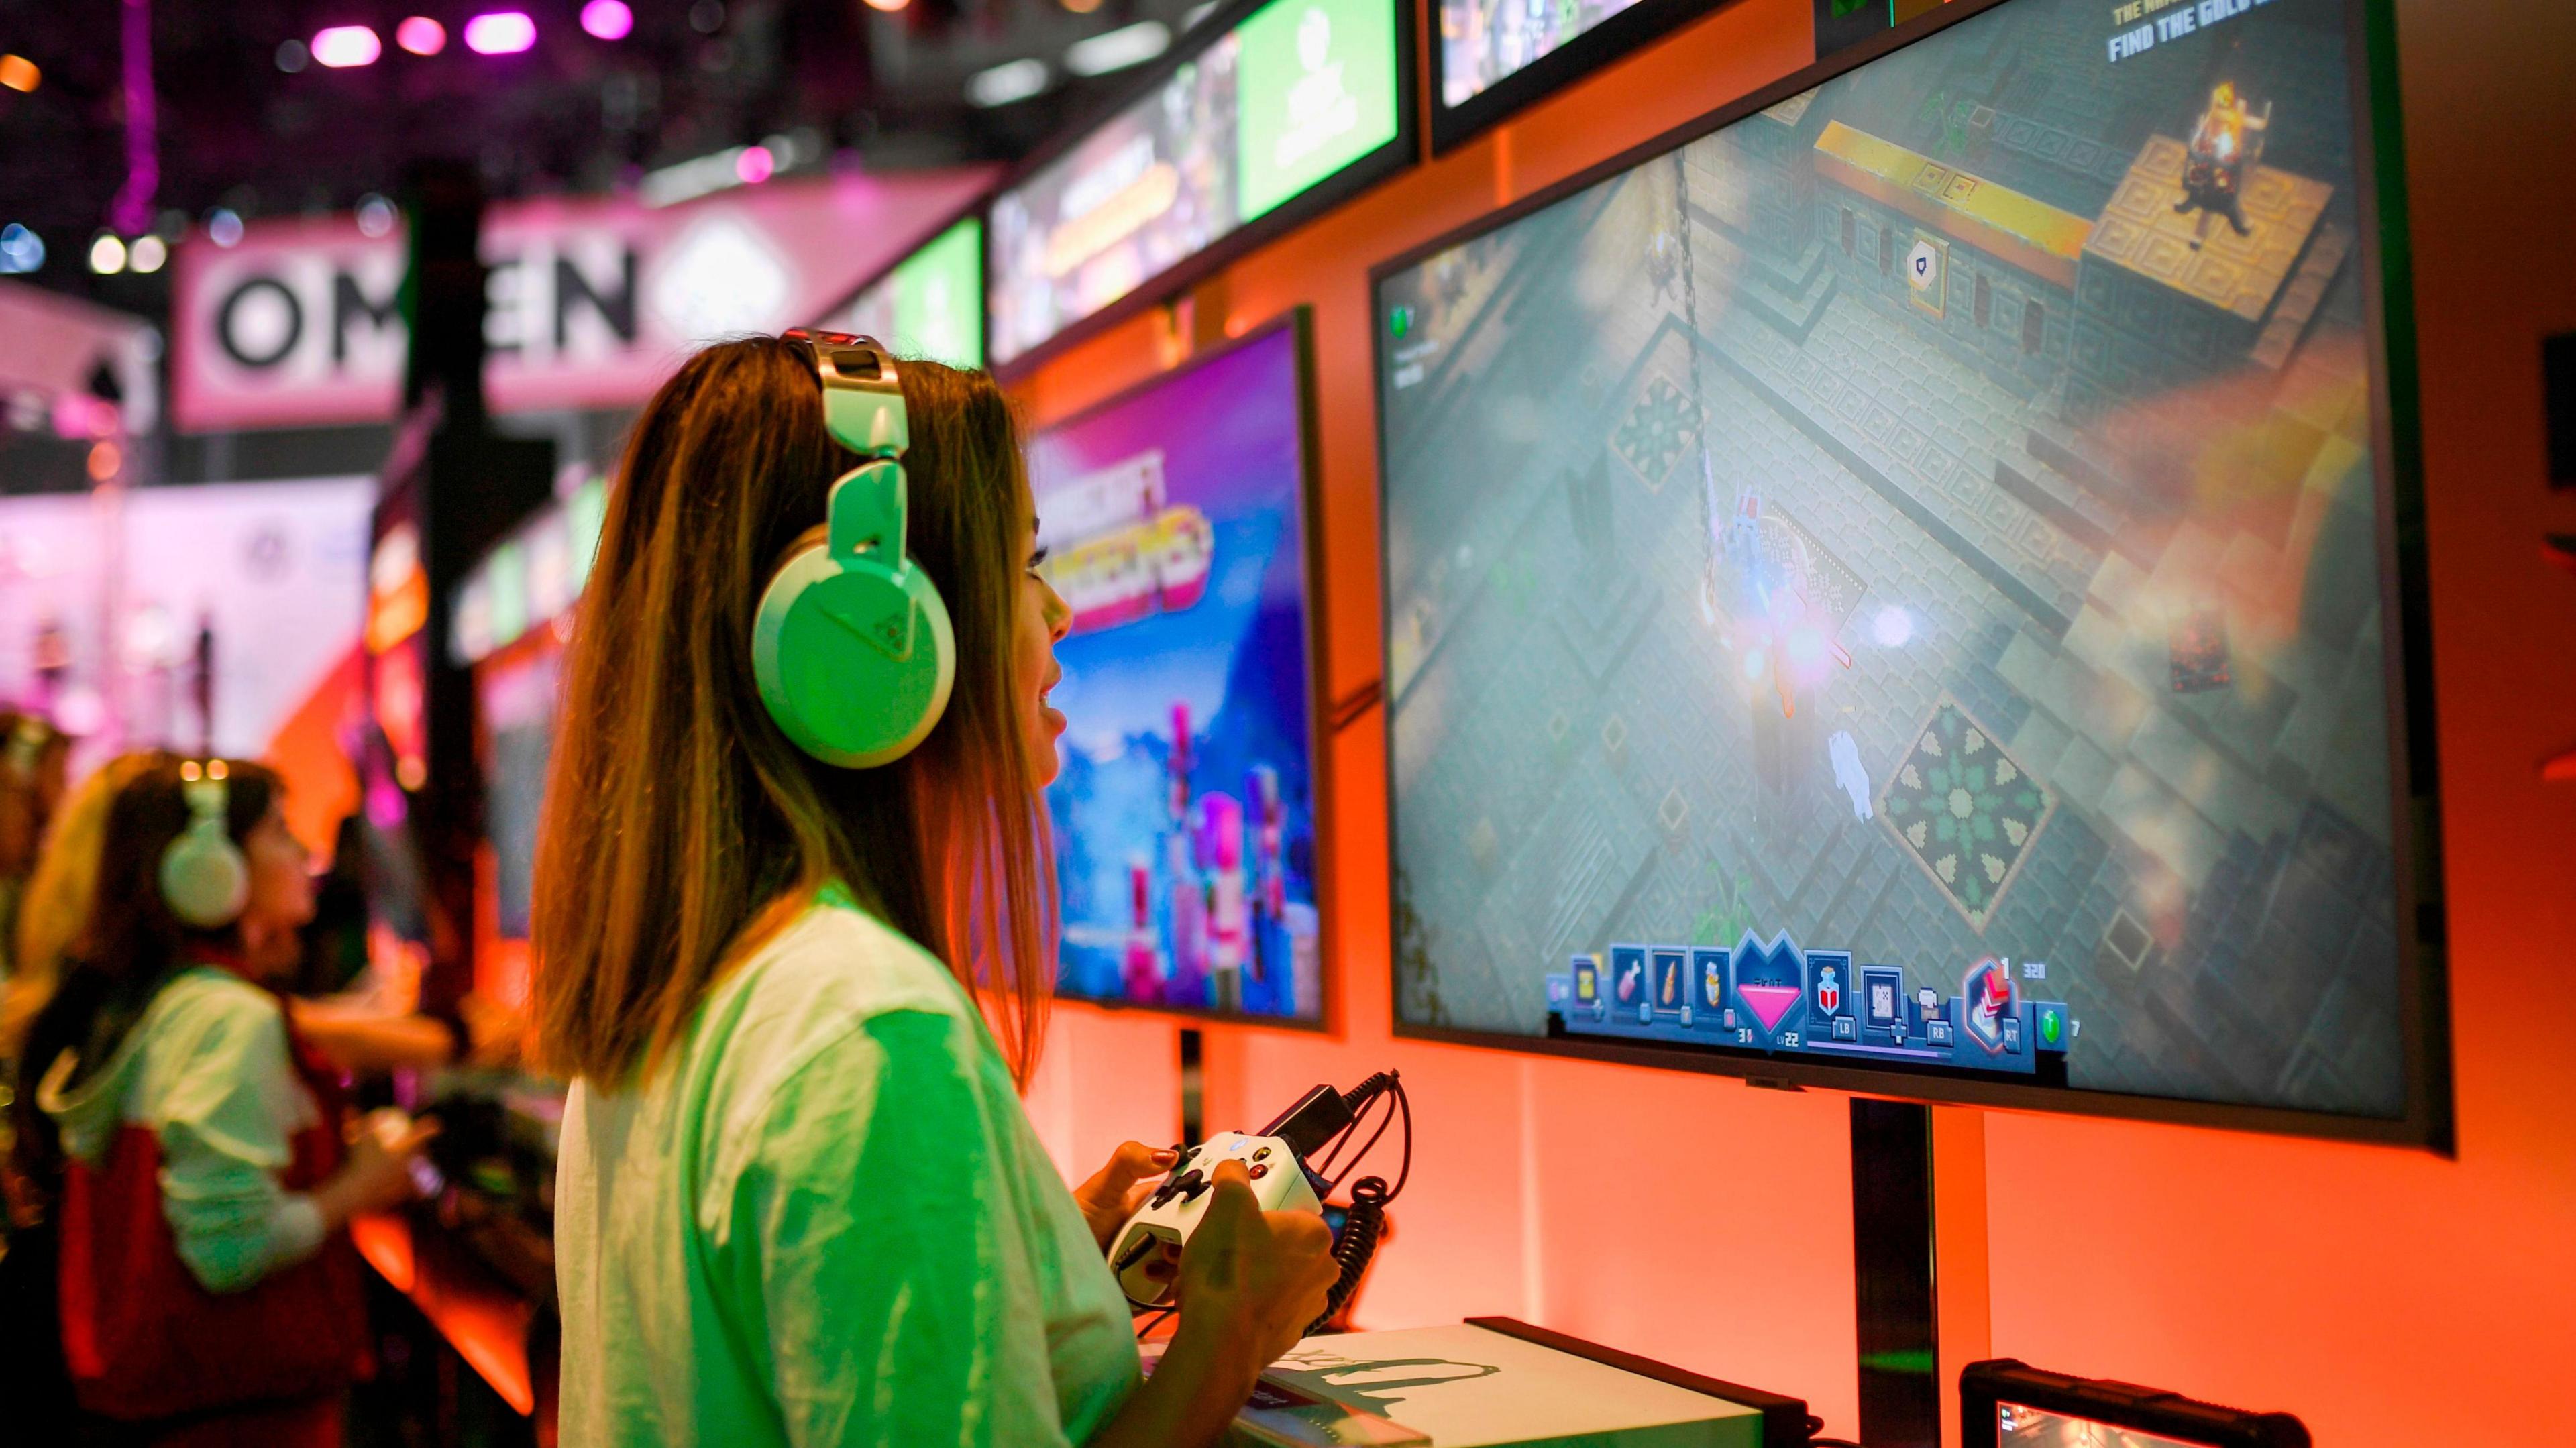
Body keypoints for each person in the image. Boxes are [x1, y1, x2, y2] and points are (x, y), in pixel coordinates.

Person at [535, 333, 1337, 1448]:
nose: (1055, 614)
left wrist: (1024, 1240)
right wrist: (1229, 1332)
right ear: (870, 632)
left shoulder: (679, 994)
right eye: (1024, 563)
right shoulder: (866, 1023)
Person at [15, 757, 436, 1445]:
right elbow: (228, 1251)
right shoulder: (227, 1018)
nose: (306, 853)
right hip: (247, 1418)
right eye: (279, 831)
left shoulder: (159, 1001)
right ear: (206, 870)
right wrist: (362, 1183)